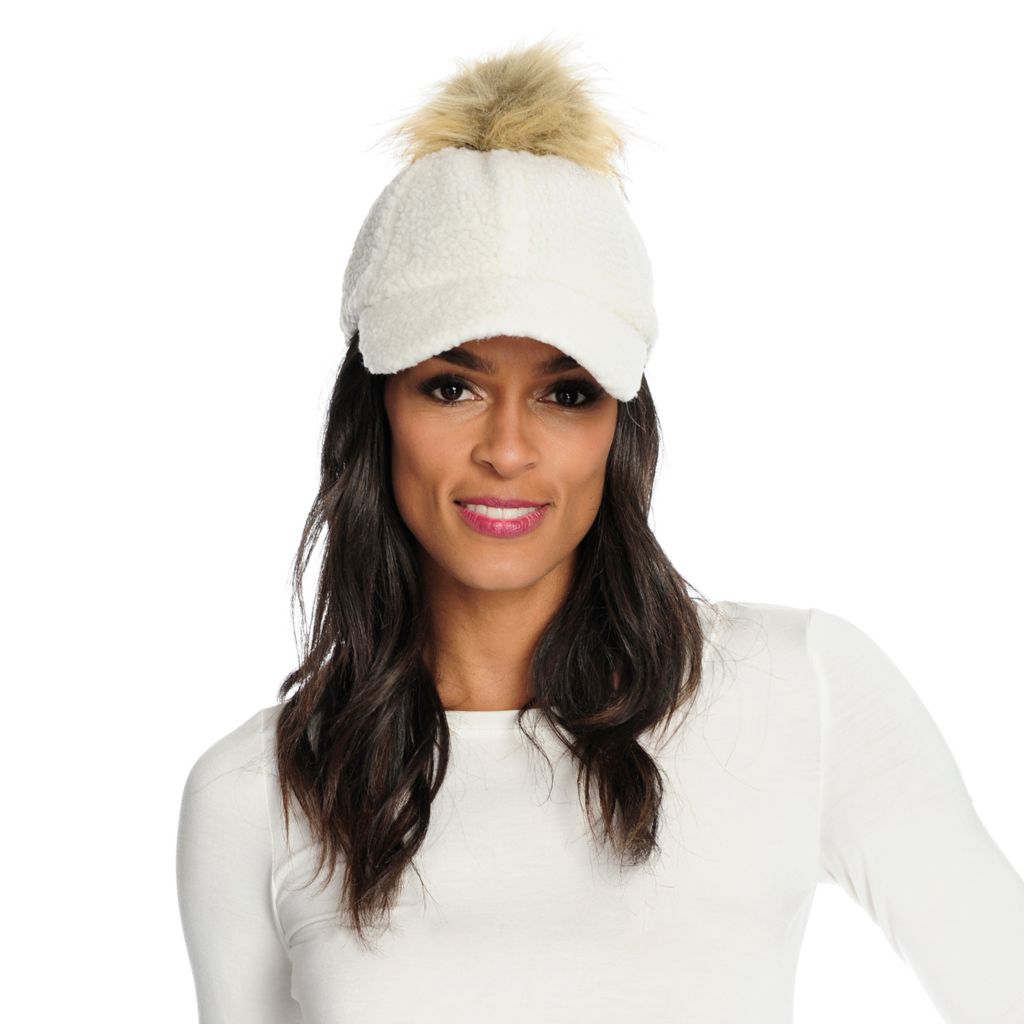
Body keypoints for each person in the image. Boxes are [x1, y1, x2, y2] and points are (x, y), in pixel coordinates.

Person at [175, 37, 1024, 1024]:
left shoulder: (801, 692)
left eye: (566, 392)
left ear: (620, 425)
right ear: (375, 413)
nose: (507, 449)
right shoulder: (255, 794)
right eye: (450, 386)